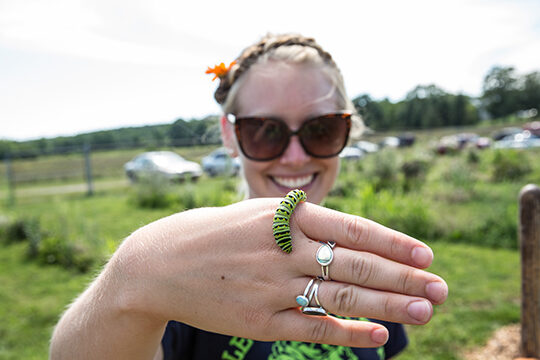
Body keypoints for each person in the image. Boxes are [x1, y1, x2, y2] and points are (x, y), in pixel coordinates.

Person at [50, 33, 448, 360]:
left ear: (348, 131)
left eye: (321, 129)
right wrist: (133, 277)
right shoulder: (192, 270)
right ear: (230, 135)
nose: (296, 157)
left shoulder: (370, 265)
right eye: (265, 131)